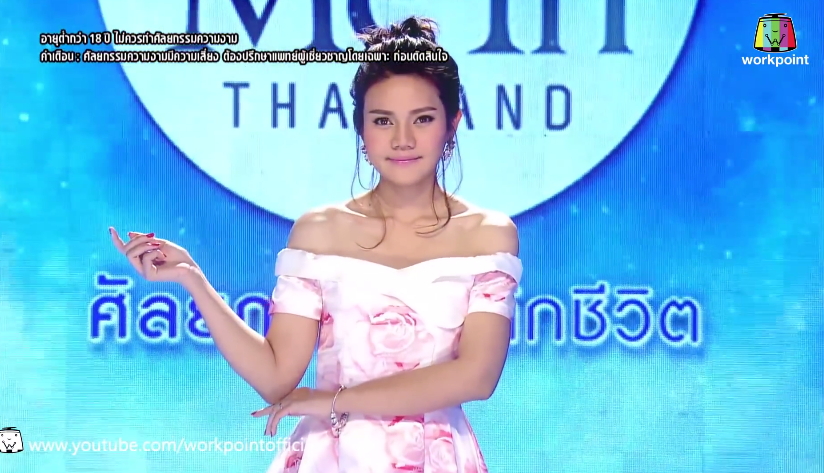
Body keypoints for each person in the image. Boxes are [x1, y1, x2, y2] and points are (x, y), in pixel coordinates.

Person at [109, 16, 521, 473]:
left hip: (435, 456)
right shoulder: (319, 232)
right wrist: (194, 281)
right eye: (382, 120)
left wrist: (335, 400)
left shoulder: (487, 235)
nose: (402, 139)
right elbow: (276, 378)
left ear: (452, 124)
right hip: (332, 456)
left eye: (422, 119)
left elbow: (477, 376)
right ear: (361, 129)